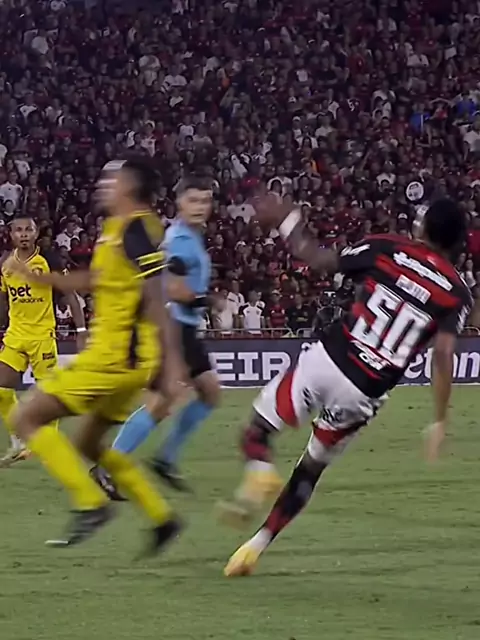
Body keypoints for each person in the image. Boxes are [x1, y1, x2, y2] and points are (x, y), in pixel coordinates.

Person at [220, 193, 472, 577]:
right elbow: (443, 354)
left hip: (330, 358)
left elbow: (317, 259)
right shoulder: (456, 293)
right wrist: (439, 419)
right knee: (311, 468)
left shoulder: (389, 247)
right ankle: (255, 546)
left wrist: (288, 220)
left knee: (256, 431)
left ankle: (259, 470)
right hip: (365, 392)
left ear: (422, 226)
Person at [5, 157, 185, 549]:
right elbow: (98, 279)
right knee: (88, 444)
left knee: (26, 417)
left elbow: (155, 291)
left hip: (113, 357)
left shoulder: (136, 228)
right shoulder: (119, 228)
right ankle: (161, 517)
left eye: (112, 179)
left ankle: (90, 505)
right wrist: (42, 278)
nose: (104, 184)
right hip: (129, 363)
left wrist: (172, 363)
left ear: (130, 187)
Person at [92, 173, 220, 494]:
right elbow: (172, 287)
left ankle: (165, 458)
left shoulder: (191, 235)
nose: (200, 206)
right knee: (163, 401)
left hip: (185, 327)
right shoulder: (178, 239)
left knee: (209, 392)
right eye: (193, 200)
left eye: (205, 200)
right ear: (179, 203)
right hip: (173, 327)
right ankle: (108, 465)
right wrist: (208, 301)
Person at [0, 214, 86, 466]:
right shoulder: (5, 263)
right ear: (11, 235)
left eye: (28, 230)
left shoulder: (49, 259)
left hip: (42, 336)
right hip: (16, 335)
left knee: (48, 393)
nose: (24, 234)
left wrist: (81, 330)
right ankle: (18, 441)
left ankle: (47, 442)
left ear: (36, 233)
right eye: (19, 230)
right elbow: (4, 299)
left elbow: (69, 293)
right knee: (1, 391)